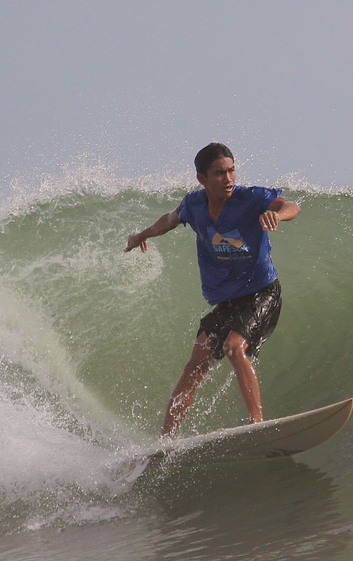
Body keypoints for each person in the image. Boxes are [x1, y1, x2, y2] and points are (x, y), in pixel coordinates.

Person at [125, 143, 301, 438]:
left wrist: (278, 216)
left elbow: (290, 206)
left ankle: (257, 424)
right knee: (196, 363)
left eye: (231, 170)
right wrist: (142, 234)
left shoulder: (250, 197)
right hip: (229, 300)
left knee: (234, 347)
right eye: (219, 173)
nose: (228, 178)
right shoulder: (194, 205)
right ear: (202, 178)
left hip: (262, 291)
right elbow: (169, 220)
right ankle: (166, 438)